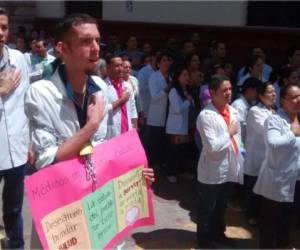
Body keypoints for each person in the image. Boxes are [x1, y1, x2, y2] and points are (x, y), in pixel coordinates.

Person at [24, 13, 154, 247]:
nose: (95, 48)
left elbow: (104, 149)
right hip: (63, 210)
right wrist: (90, 126)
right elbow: (47, 160)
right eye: (86, 41)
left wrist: (133, 175)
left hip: (98, 206)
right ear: (62, 48)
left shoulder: (100, 88)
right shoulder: (41, 93)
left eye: (97, 40)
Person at [196, 75, 243, 248]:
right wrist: (229, 132)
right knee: (207, 208)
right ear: (213, 92)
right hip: (212, 170)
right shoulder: (205, 116)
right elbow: (212, 147)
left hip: (230, 166)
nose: (228, 93)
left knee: (222, 206)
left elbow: (239, 140)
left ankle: (218, 234)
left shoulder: (233, 111)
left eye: (230, 89)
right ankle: (204, 240)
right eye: (224, 90)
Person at [253, 83, 300, 249]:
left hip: (295, 180)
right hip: (276, 181)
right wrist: (291, 133)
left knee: (286, 220)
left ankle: (284, 246)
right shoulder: (274, 119)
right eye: (293, 97)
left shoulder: (298, 119)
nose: (298, 100)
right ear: (283, 100)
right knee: (269, 223)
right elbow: (273, 143)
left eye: (299, 96)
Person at [0, 7, 30, 249]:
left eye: (4, 27)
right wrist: (1, 92)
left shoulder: (19, 59)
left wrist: (29, 142)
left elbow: (27, 102)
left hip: (16, 151)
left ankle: (16, 246)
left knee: (14, 208)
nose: (1, 33)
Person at [243, 82, 276, 226]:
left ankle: (260, 215)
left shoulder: (274, 110)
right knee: (253, 188)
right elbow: (267, 130)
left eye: (274, 91)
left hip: (269, 158)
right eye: (270, 92)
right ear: (261, 95)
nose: (274, 94)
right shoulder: (255, 111)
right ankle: (250, 215)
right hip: (255, 157)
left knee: (263, 189)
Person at [165, 67, 194, 183]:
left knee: (181, 150)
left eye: (188, 75)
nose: (187, 77)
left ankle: (179, 171)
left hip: (183, 127)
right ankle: (169, 172)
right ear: (178, 77)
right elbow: (177, 109)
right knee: (173, 151)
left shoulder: (186, 90)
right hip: (175, 127)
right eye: (184, 75)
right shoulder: (173, 91)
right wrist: (188, 101)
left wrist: (189, 100)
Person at [104, 55, 138, 138]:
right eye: (116, 66)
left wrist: (135, 128)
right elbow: (102, 110)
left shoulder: (127, 86)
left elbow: (133, 109)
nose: (120, 69)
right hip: (112, 133)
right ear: (108, 68)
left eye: (121, 65)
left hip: (128, 131)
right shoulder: (103, 87)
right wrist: (121, 100)